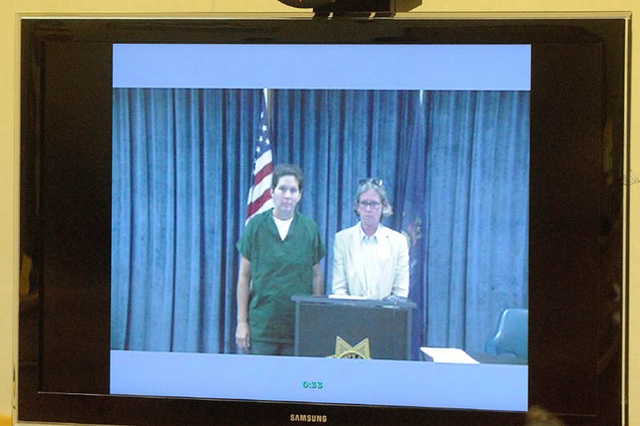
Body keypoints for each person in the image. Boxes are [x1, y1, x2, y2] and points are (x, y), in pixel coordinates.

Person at [235, 164, 325, 356]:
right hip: (262, 329)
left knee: (296, 384)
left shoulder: (310, 229)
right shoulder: (256, 227)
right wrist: (242, 322)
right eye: (282, 188)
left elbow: (317, 275)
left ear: (299, 195)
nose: (287, 195)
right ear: (271, 192)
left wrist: (316, 319)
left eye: (293, 190)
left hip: (298, 328)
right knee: (261, 385)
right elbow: (244, 277)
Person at [332, 178, 409, 300]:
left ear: (383, 206)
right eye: (364, 203)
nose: (368, 209)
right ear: (357, 207)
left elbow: (400, 291)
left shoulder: (398, 242)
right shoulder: (342, 240)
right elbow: (339, 288)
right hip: (351, 314)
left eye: (373, 204)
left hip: (387, 315)